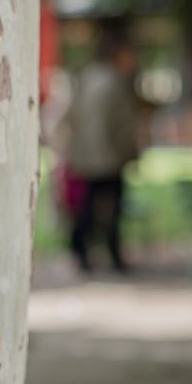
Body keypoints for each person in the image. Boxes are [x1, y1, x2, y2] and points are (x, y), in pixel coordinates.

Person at [65, 19, 141, 273]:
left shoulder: (86, 77)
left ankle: (81, 251)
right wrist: (130, 152)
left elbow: (71, 116)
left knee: (87, 207)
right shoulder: (117, 82)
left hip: (85, 155)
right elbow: (121, 125)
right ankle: (112, 254)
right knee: (112, 208)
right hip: (109, 156)